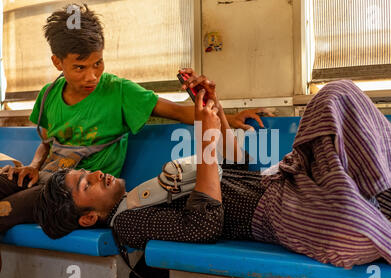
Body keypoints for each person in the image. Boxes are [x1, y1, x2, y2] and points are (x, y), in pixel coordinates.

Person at [34, 75, 391, 269]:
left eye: (86, 173)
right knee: (350, 234)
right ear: (89, 217)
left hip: (283, 177)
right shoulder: (128, 223)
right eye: (84, 185)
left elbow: (238, 166)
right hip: (275, 213)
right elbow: (205, 224)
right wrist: (207, 141)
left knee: (337, 94)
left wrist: (211, 112)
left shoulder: (147, 186)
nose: (95, 175)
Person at [0, 4, 270, 235]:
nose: (92, 76)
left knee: (4, 212)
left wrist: (228, 117)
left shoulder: (119, 91)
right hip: (46, 178)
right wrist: (33, 166)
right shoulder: (49, 95)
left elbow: (177, 112)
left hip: (75, 196)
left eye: (98, 64)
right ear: (58, 63)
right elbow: (46, 143)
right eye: (80, 68)